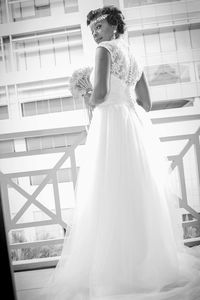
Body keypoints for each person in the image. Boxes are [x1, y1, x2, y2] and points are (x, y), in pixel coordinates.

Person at [41, 6, 200, 300]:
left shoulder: (104, 50)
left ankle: (118, 269)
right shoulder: (134, 55)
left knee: (109, 192)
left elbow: (99, 94)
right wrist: (123, 103)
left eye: (98, 27)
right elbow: (147, 103)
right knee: (139, 192)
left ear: (114, 25)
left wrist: (86, 94)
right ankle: (150, 265)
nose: (94, 34)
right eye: (91, 31)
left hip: (111, 126)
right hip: (135, 127)